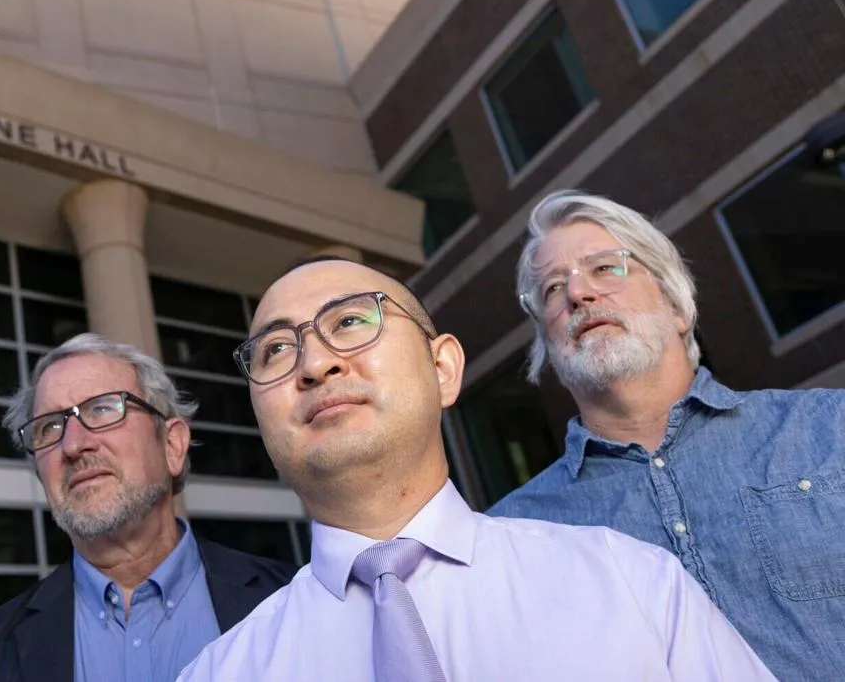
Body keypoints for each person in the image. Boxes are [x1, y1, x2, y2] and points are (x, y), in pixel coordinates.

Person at [178, 257, 775, 681]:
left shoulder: (633, 583)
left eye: (351, 322)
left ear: (443, 369)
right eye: (276, 350)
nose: (314, 364)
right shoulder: (219, 673)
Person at [489, 190, 845, 682]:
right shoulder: (509, 537)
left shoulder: (831, 427)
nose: (577, 293)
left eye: (604, 268)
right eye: (552, 288)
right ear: (548, 346)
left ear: (677, 307)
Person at [0, 333, 295, 682]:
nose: (73, 445)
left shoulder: (294, 601)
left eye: (102, 408)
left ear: (171, 445)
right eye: (49, 427)